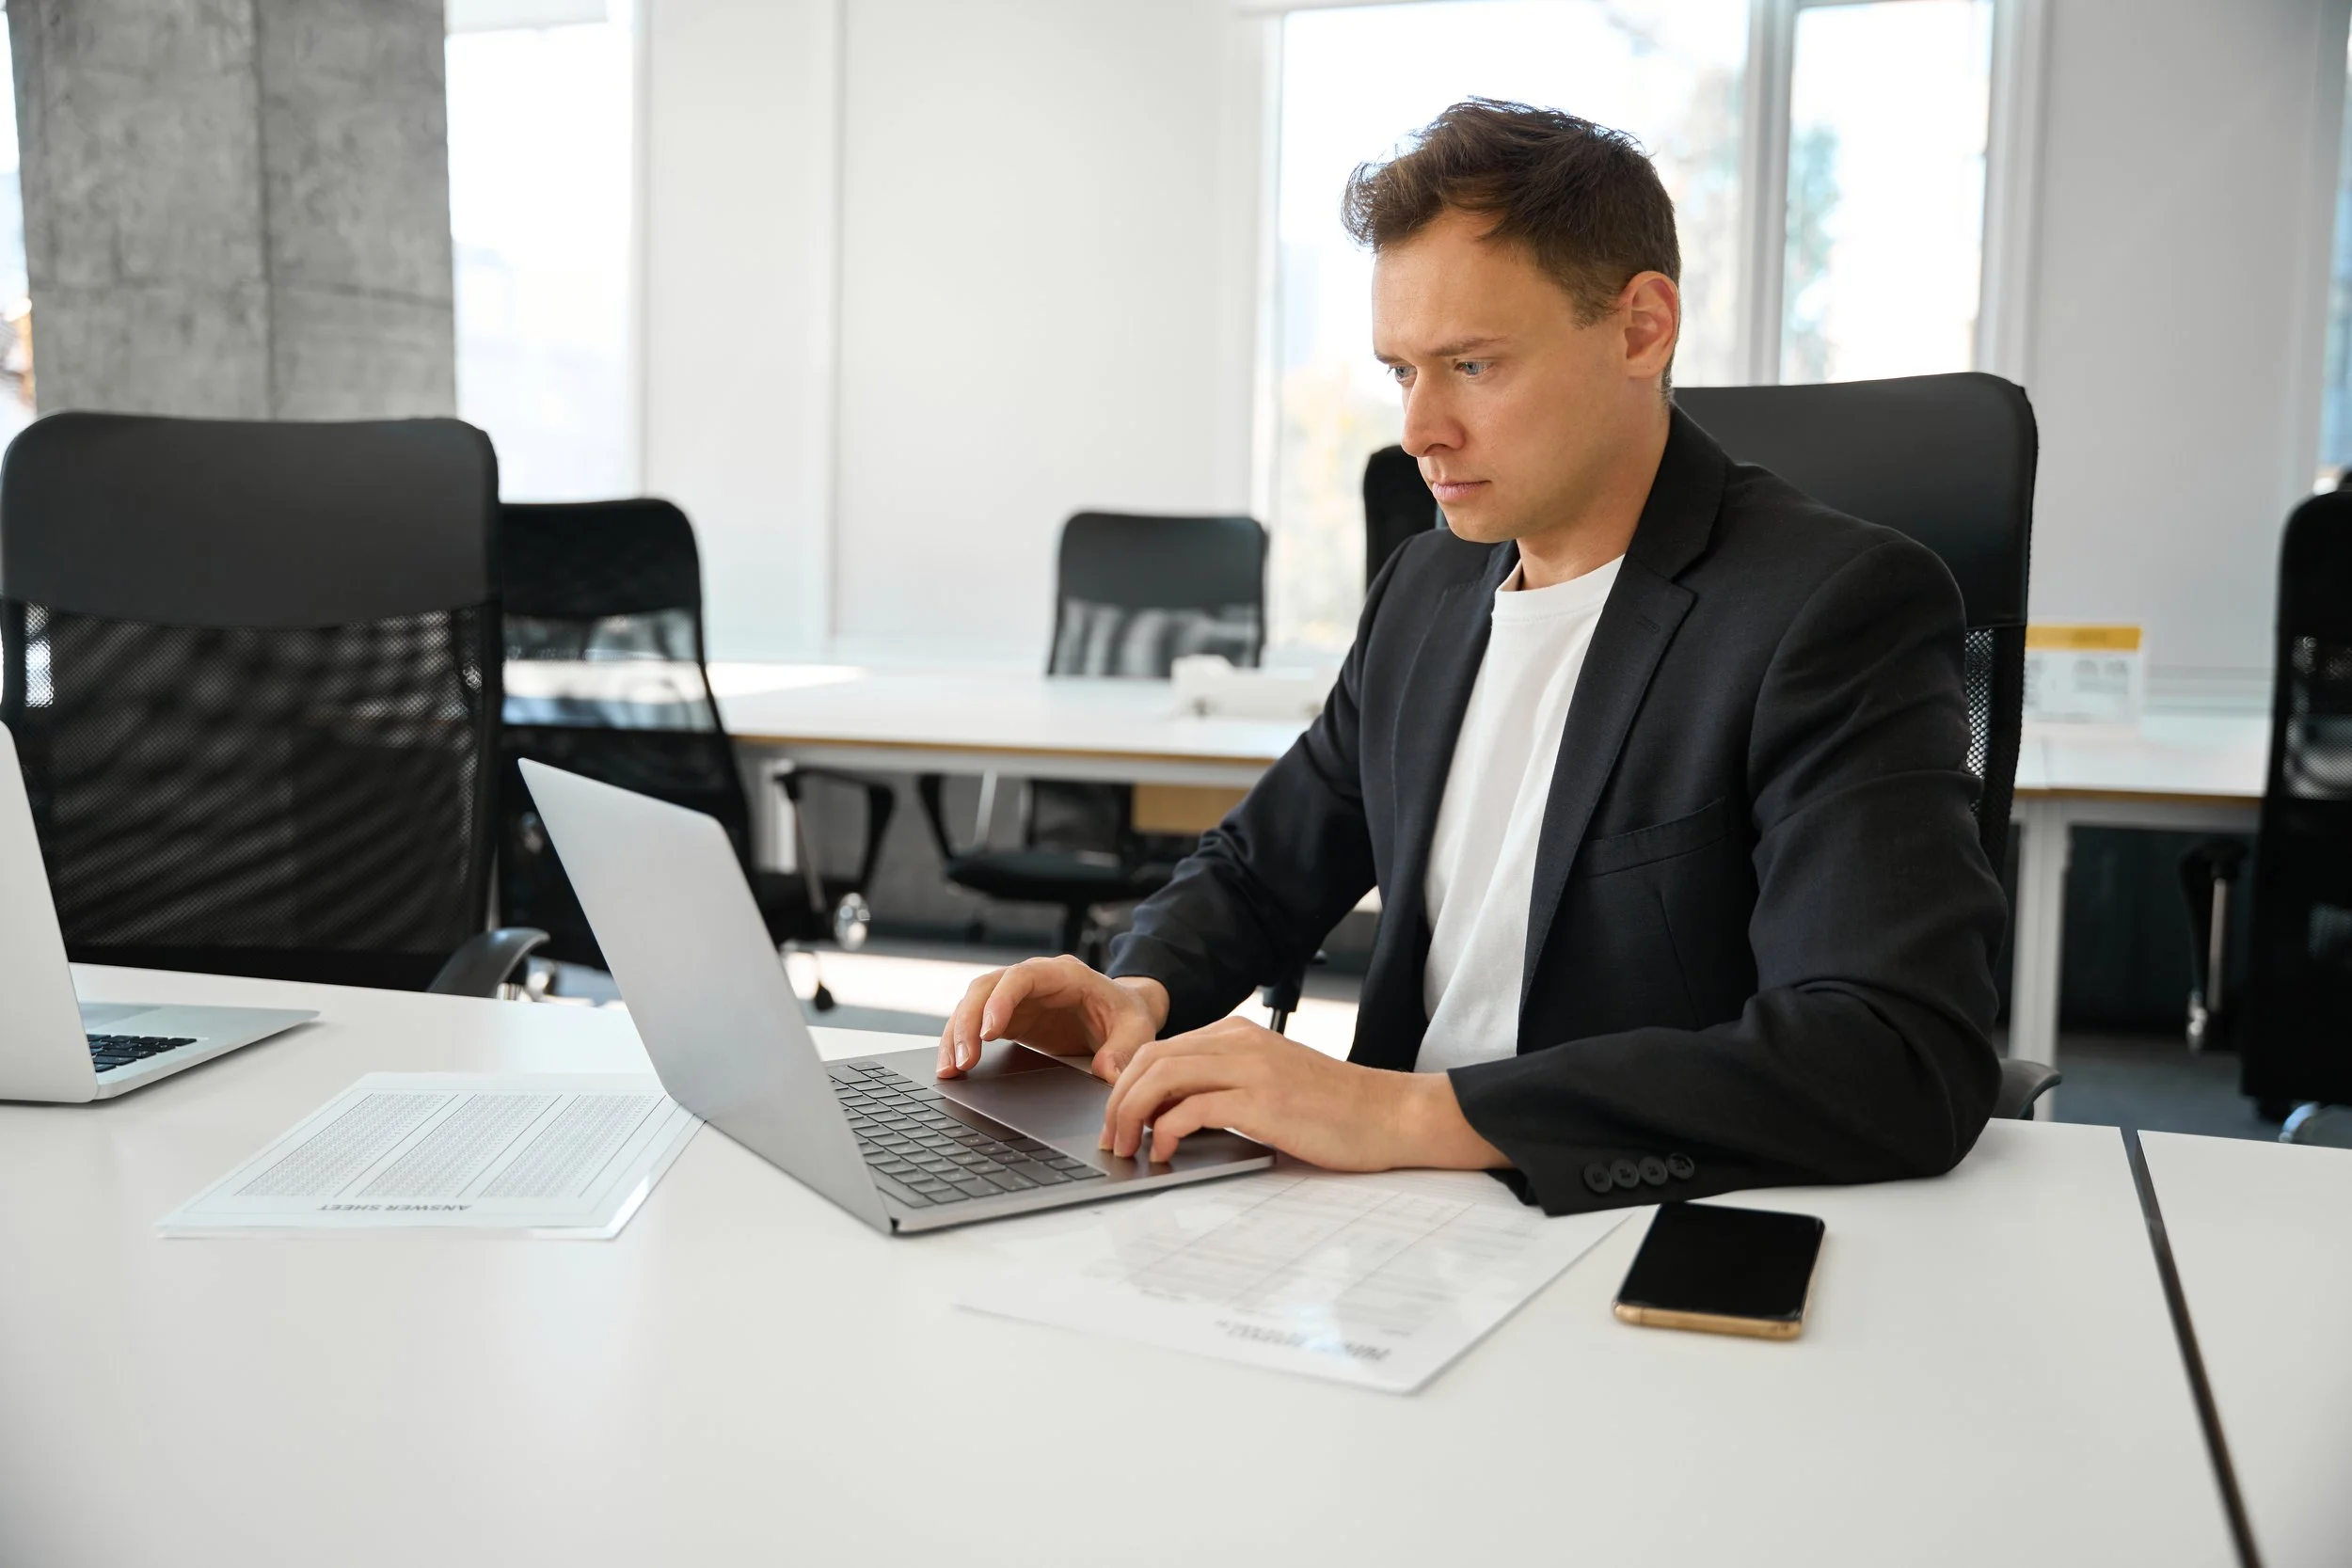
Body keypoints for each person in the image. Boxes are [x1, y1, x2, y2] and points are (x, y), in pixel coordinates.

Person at [936, 100, 2006, 1213]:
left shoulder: (1829, 608)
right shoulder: (1427, 587)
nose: (1417, 429)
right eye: (1401, 371)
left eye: (1472, 365)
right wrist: (1134, 988)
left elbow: (1893, 1052)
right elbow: (1262, 868)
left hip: (1625, 1220)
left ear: (1642, 327)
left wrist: (1396, 1110)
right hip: (1383, 1231)